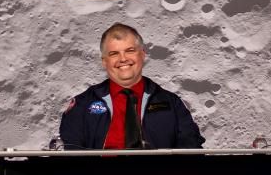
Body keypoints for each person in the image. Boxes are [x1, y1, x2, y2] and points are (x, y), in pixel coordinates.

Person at [59, 23, 204, 149]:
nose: (123, 59)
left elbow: (191, 150)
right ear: (104, 61)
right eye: (114, 53)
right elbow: (70, 155)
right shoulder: (82, 105)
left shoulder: (172, 104)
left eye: (130, 51)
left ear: (142, 55)